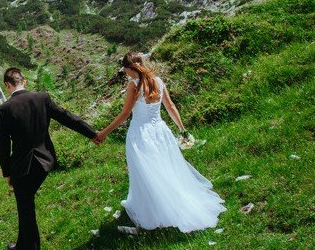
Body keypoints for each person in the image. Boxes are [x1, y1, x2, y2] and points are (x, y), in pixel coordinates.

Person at [95, 52, 225, 233]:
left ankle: (154, 211)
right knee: (165, 168)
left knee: (146, 172)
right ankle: (172, 202)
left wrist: (103, 133)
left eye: (126, 70)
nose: (126, 74)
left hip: (140, 134)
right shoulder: (159, 81)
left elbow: (125, 115)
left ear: (129, 69)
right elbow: (170, 106)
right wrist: (182, 129)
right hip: (161, 132)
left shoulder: (134, 85)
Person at [0, 67, 100, 250]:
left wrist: (7, 172)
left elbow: (3, 145)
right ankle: (20, 246)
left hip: (22, 167)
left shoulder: (4, 109)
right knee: (25, 204)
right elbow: (66, 117)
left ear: (7, 85)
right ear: (23, 81)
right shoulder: (42, 98)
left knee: (26, 210)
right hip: (45, 161)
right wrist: (91, 133)